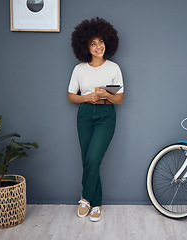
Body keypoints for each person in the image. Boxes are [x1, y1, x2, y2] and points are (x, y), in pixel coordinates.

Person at [67, 17, 123, 222]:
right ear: (85, 47)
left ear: (107, 42)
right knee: (88, 160)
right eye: (93, 43)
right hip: (84, 115)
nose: (98, 46)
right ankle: (96, 204)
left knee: (92, 159)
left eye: (101, 41)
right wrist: (86, 97)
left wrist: (105, 94)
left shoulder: (114, 68)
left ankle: (85, 198)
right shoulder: (79, 69)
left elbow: (120, 99)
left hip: (106, 116)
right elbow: (70, 96)